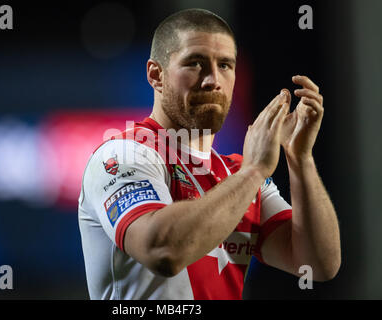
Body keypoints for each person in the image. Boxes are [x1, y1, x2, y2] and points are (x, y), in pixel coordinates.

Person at [78, 8, 341, 300]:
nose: (212, 79)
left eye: (225, 65)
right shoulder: (123, 155)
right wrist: (253, 172)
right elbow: (163, 251)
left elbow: (317, 264)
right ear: (156, 75)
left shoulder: (236, 173)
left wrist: (300, 158)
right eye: (195, 63)